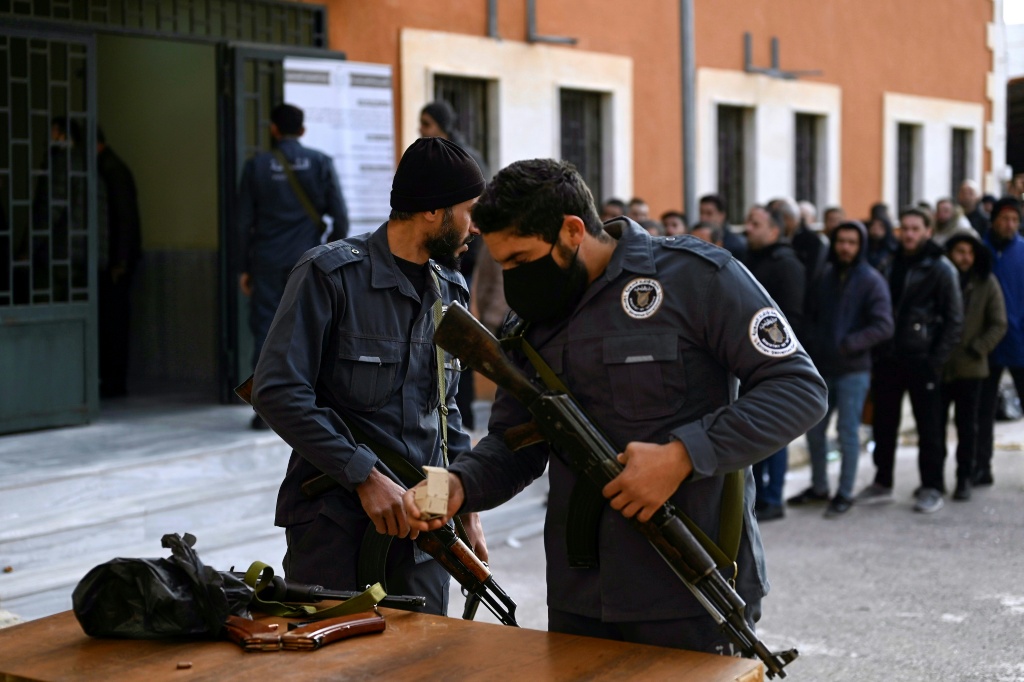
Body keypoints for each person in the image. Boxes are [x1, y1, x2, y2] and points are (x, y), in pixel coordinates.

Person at [404, 159, 827, 655]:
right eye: (503, 265)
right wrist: (455, 487)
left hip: (689, 586)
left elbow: (798, 389)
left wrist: (683, 455)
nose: (514, 279)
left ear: (572, 231)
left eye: (520, 259)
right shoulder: (531, 318)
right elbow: (513, 442)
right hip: (580, 598)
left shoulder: (696, 279)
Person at [249, 137, 487, 615]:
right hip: (335, 527)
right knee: (338, 653)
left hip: (424, 532)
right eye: (469, 211)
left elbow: (448, 414)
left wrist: (466, 504)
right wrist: (364, 477)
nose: (475, 227)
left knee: (427, 654)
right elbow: (277, 390)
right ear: (433, 212)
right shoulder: (330, 275)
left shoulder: (451, 290)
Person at [238, 103, 349, 429]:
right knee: (309, 329)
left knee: (266, 330)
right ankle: (307, 405)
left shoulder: (257, 166)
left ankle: (264, 410)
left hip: (268, 262)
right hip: (308, 262)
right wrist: (328, 252)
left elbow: (242, 223)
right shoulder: (321, 163)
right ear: (302, 130)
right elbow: (340, 217)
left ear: (273, 129)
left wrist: (244, 267)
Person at [856, 207, 963, 513]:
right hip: (889, 357)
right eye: (905, 228)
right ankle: (882, 481)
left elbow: (955, 320)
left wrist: (935, 360)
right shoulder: (889, 262)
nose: (910, 234)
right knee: (884, 424)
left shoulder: (941, 268)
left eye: (916, 228)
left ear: (928, 231)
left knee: (929, 427)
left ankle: (931, 486)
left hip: (922, 358)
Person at [789, 221, 893, 517]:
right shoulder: (825, 276)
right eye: (841, 241)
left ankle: (845, 492)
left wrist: (849, 344)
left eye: (852, 242)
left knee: (847, 433)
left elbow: (884, 325)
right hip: (822, 369)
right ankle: (819, 487)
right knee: (814, 431)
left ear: (860, 246)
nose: (845, 247)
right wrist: (814, 343)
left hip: (853, 370)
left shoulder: (871, 280)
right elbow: (811, 315)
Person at [418, 100, 491, 429]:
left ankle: (460, 415)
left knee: (458, 335)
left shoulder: (463, 159)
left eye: (427, 124)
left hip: (459, 260)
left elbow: (480, 212)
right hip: (444, 256)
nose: (421, 130)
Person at [743, 205, 807, 521]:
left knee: (775, 431)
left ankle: (773, 497)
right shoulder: (749, 259)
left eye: (755, 223)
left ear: (774, 230)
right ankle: (756, 496)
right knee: (753, 430)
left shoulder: (787, 264)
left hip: (772, 362)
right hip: (747, 361)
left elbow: (790, 317)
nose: (747, 228)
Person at [940, 234, 1006, 500]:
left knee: (968, 427)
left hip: (971, 368)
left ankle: (964, 477)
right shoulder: (941, 277)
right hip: (940, 365)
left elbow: (998, 323)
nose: (965, 257)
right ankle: (933, 481)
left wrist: (978, 348)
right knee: (934, 428)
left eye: (969, 252)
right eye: (959, 251)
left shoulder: (986, 282)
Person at [976, 198, 1024, 486]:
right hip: (986, 345)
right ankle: (981, 467)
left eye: (1015, 220)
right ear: (993, 220)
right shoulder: (979, 250)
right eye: (1005, 219)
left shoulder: (1023, 251)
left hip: (1020, 343)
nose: (1010, 225)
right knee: (982, 412)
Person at [96, 127, 142, 398]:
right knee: (111, 322)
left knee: (114, 322)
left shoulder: (112, 170)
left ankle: (114, 381)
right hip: (115, 258)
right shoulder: (109, 167)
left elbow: (124, 218)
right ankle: (111, 380)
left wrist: (120, 261)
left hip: (116, 261)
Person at [699, 193, 748, 260]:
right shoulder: (694, 236)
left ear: (722, 215)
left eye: (709, 213)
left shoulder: (735, 246)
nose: (703, 218)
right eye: (701, 213)